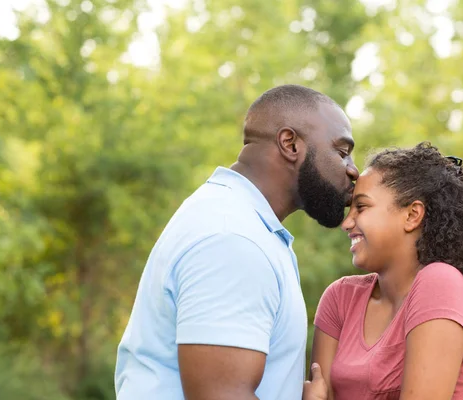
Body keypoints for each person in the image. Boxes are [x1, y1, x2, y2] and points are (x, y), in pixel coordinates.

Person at [115, 84, 359, 400]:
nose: (353, 169)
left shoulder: (237, 222)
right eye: (341, 151)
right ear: (290, 144)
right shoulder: (234, 239)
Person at [311, 142, 463, 400]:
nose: (346, 222)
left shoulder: (441, 284)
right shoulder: (340, 298)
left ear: (412, 215)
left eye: (362, 207)